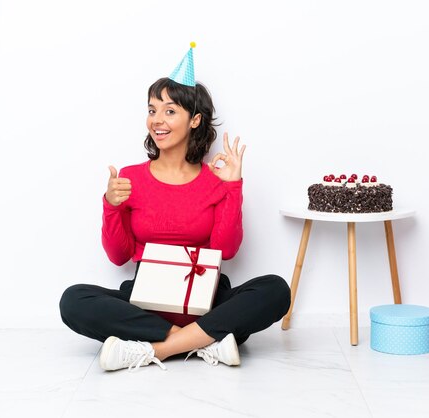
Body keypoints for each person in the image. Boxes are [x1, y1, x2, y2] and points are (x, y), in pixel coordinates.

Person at [59, 47, 291, 372]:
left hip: (206, 299)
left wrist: (231, 188)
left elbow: (227, 250)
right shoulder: (129, 178)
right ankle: (204, 342)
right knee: (74, 300)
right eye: (152, 110)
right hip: (145, 299)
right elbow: (118, 256)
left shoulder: (216, 178)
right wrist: (111, 206)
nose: (157, 120)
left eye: (170, 111)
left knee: (275, 289)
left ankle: (153, 349)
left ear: (195, 119)